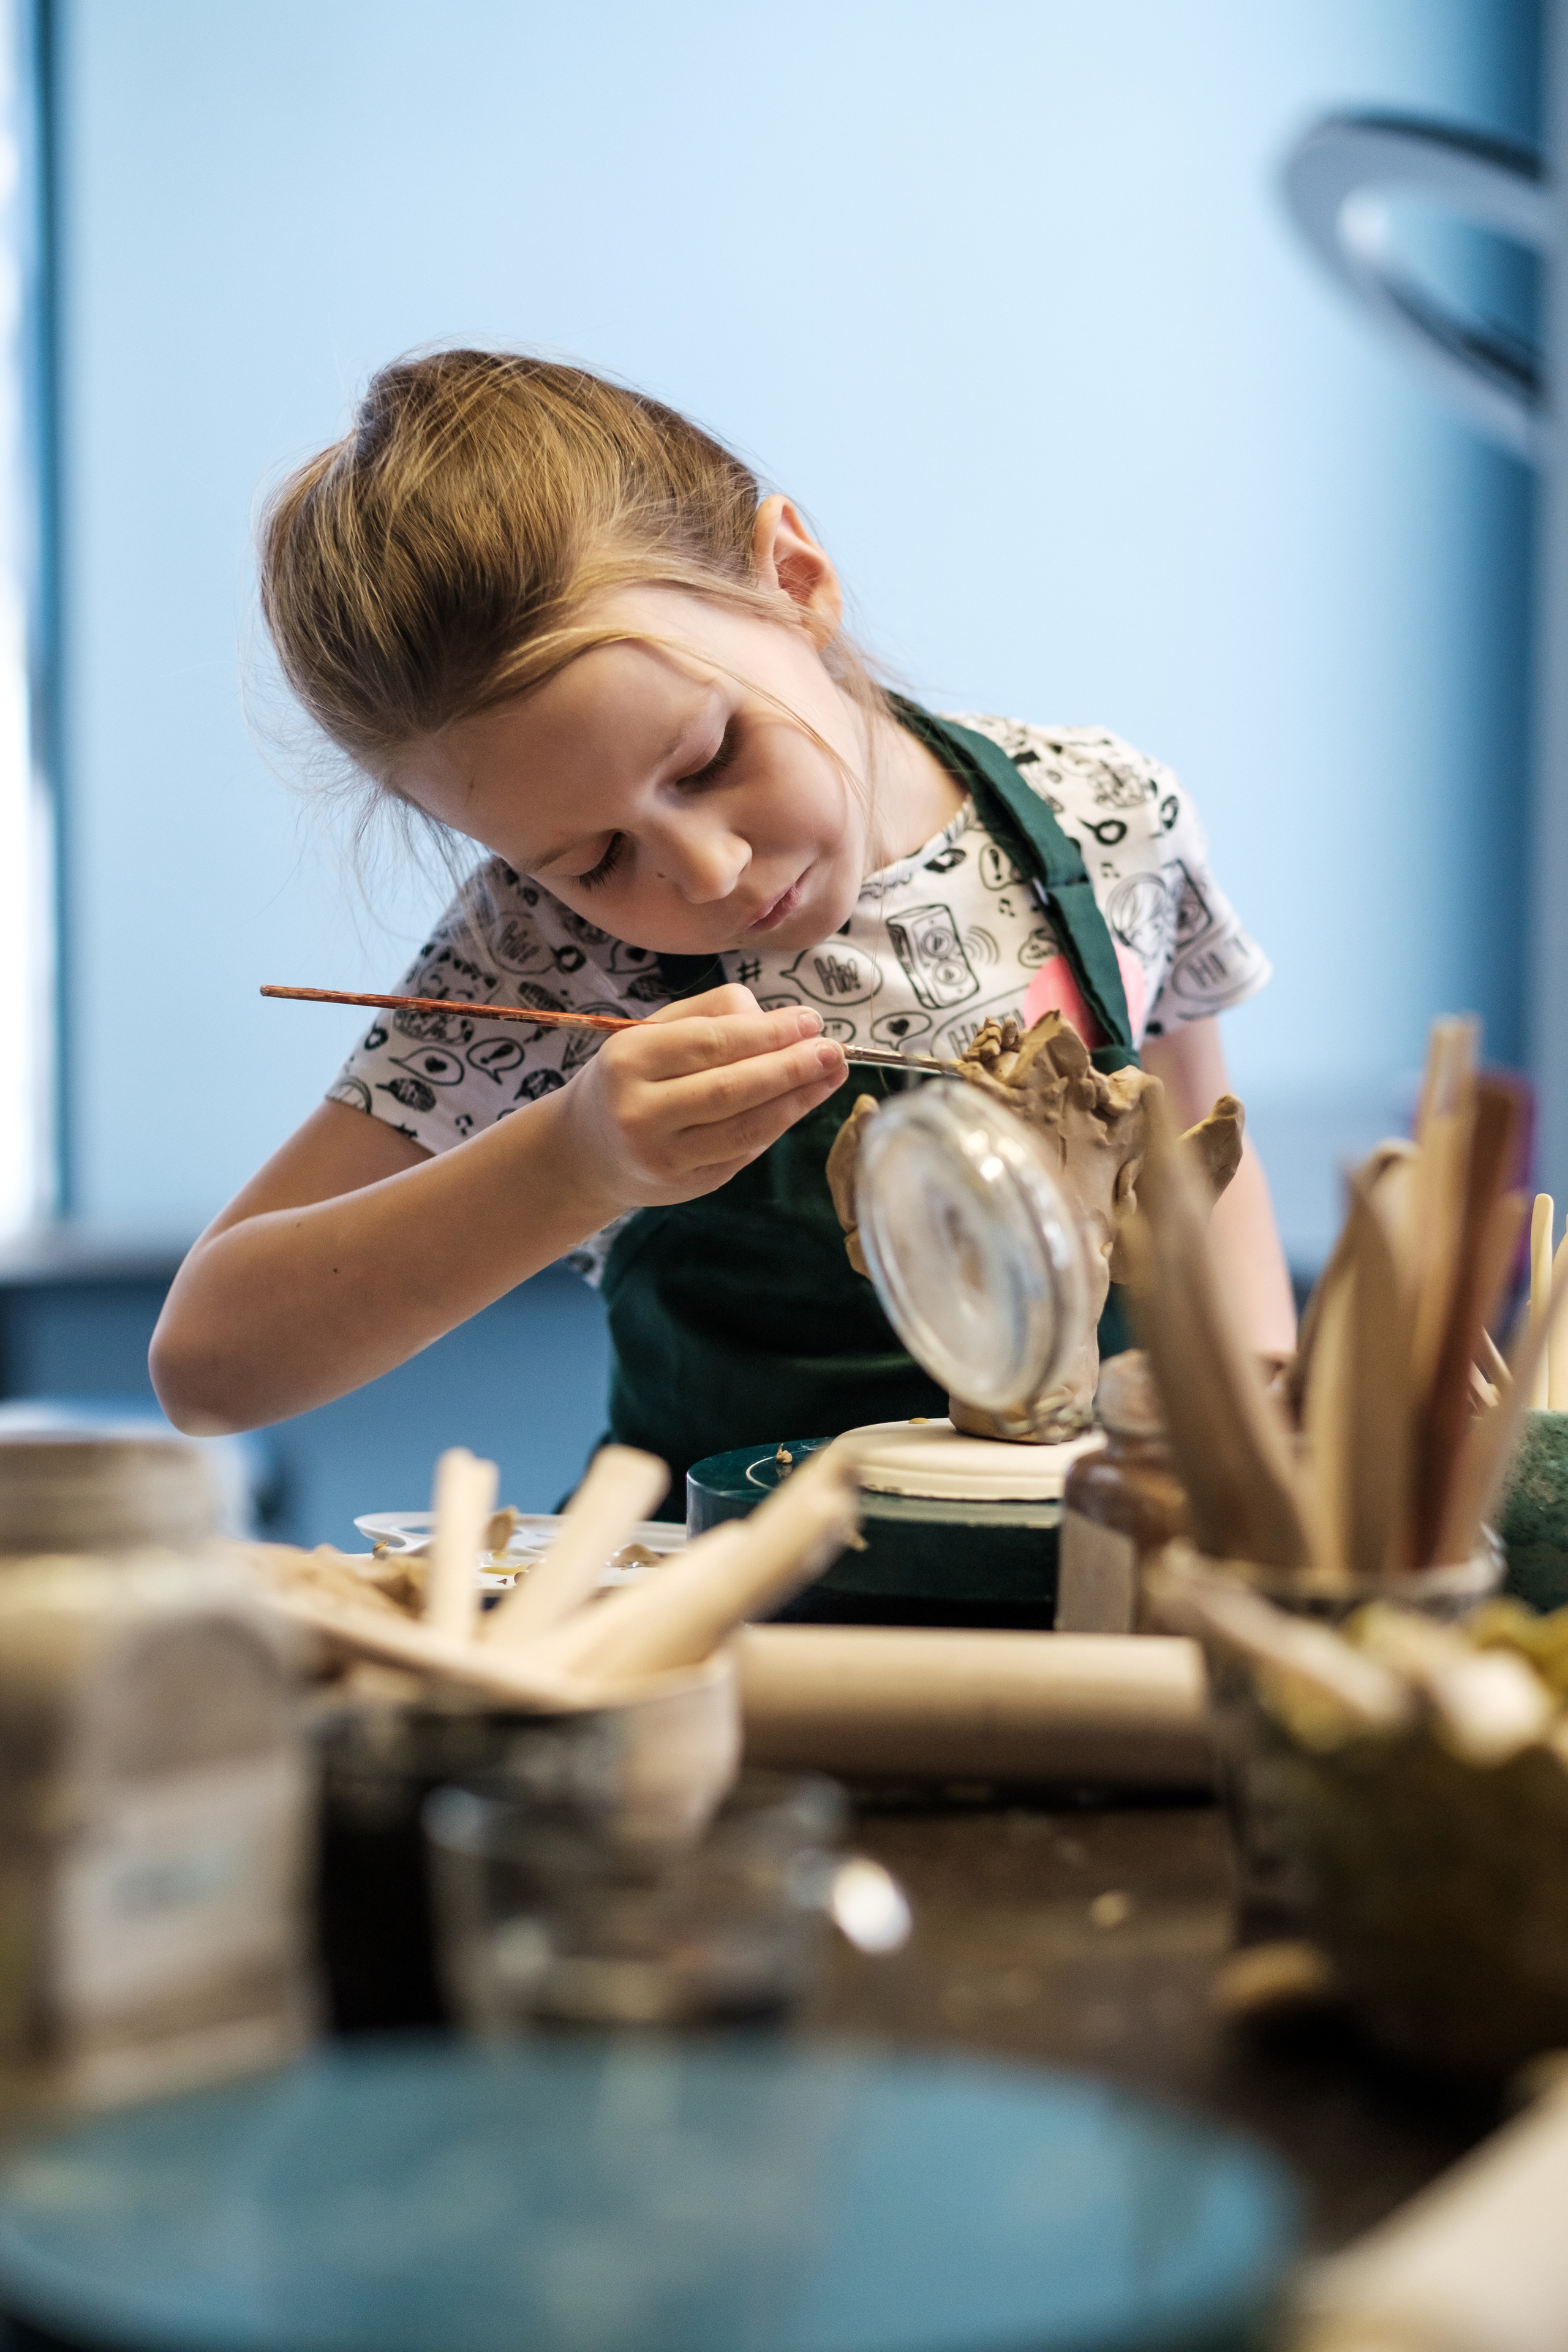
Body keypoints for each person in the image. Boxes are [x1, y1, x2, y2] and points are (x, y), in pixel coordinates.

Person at [151, 351, 1297, 1496]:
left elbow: (1204, 1173)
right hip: (723, 1596)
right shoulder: (537, 957)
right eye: (595, 860)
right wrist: (570, 1162)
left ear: (794, 580)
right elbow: (208, 1369)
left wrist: (1261, 1449)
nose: (711, 872)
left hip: (1097, 1565)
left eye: (707, 760)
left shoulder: (1104, 815)